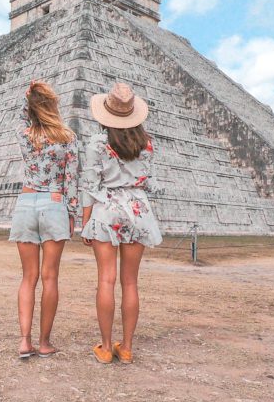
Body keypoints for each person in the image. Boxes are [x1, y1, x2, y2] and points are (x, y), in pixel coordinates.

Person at [80, 82, 162, 365]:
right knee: (130, 283)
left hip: (106, 211)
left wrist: (85, 222)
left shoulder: (97, 143)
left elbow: (89, 185)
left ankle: (105, 347)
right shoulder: (147, 143)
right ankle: (126, 347)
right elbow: (148, 181)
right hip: (138, 211)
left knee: (106, 279)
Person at [9, 80, 79, 359]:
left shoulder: (24, 135)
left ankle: (24, 341)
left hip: (26, 203)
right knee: (50, 278)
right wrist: (72, 214)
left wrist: (27, 95)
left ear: (31, 107)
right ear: (53, 106)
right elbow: (71, 180)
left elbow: (19, 113)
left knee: (28, 277)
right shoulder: (67, 137)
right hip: (54, 203)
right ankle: (45, 342)